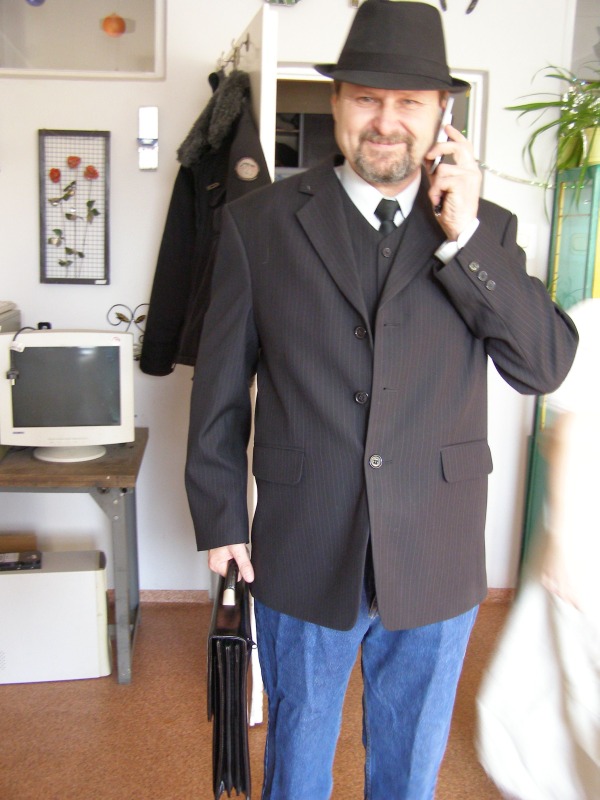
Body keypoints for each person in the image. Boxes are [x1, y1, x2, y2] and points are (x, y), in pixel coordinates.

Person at [185, 1, 578, 797]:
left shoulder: (487, 231)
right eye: (366, 97)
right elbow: (219, 389)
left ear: (443, 114)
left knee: (408, 769)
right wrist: (221, 519)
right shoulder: (258, 226)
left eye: (408, 102)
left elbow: (543, 367)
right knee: (297, 761)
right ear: (337, 102)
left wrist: (465, 237)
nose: (386, 121)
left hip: (435, 549)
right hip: (303, 544)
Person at [477, 298, 599, 800]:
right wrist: (564, 542)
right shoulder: (591, 323)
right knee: (564, 675)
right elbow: (569, 432)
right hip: (584, 539)